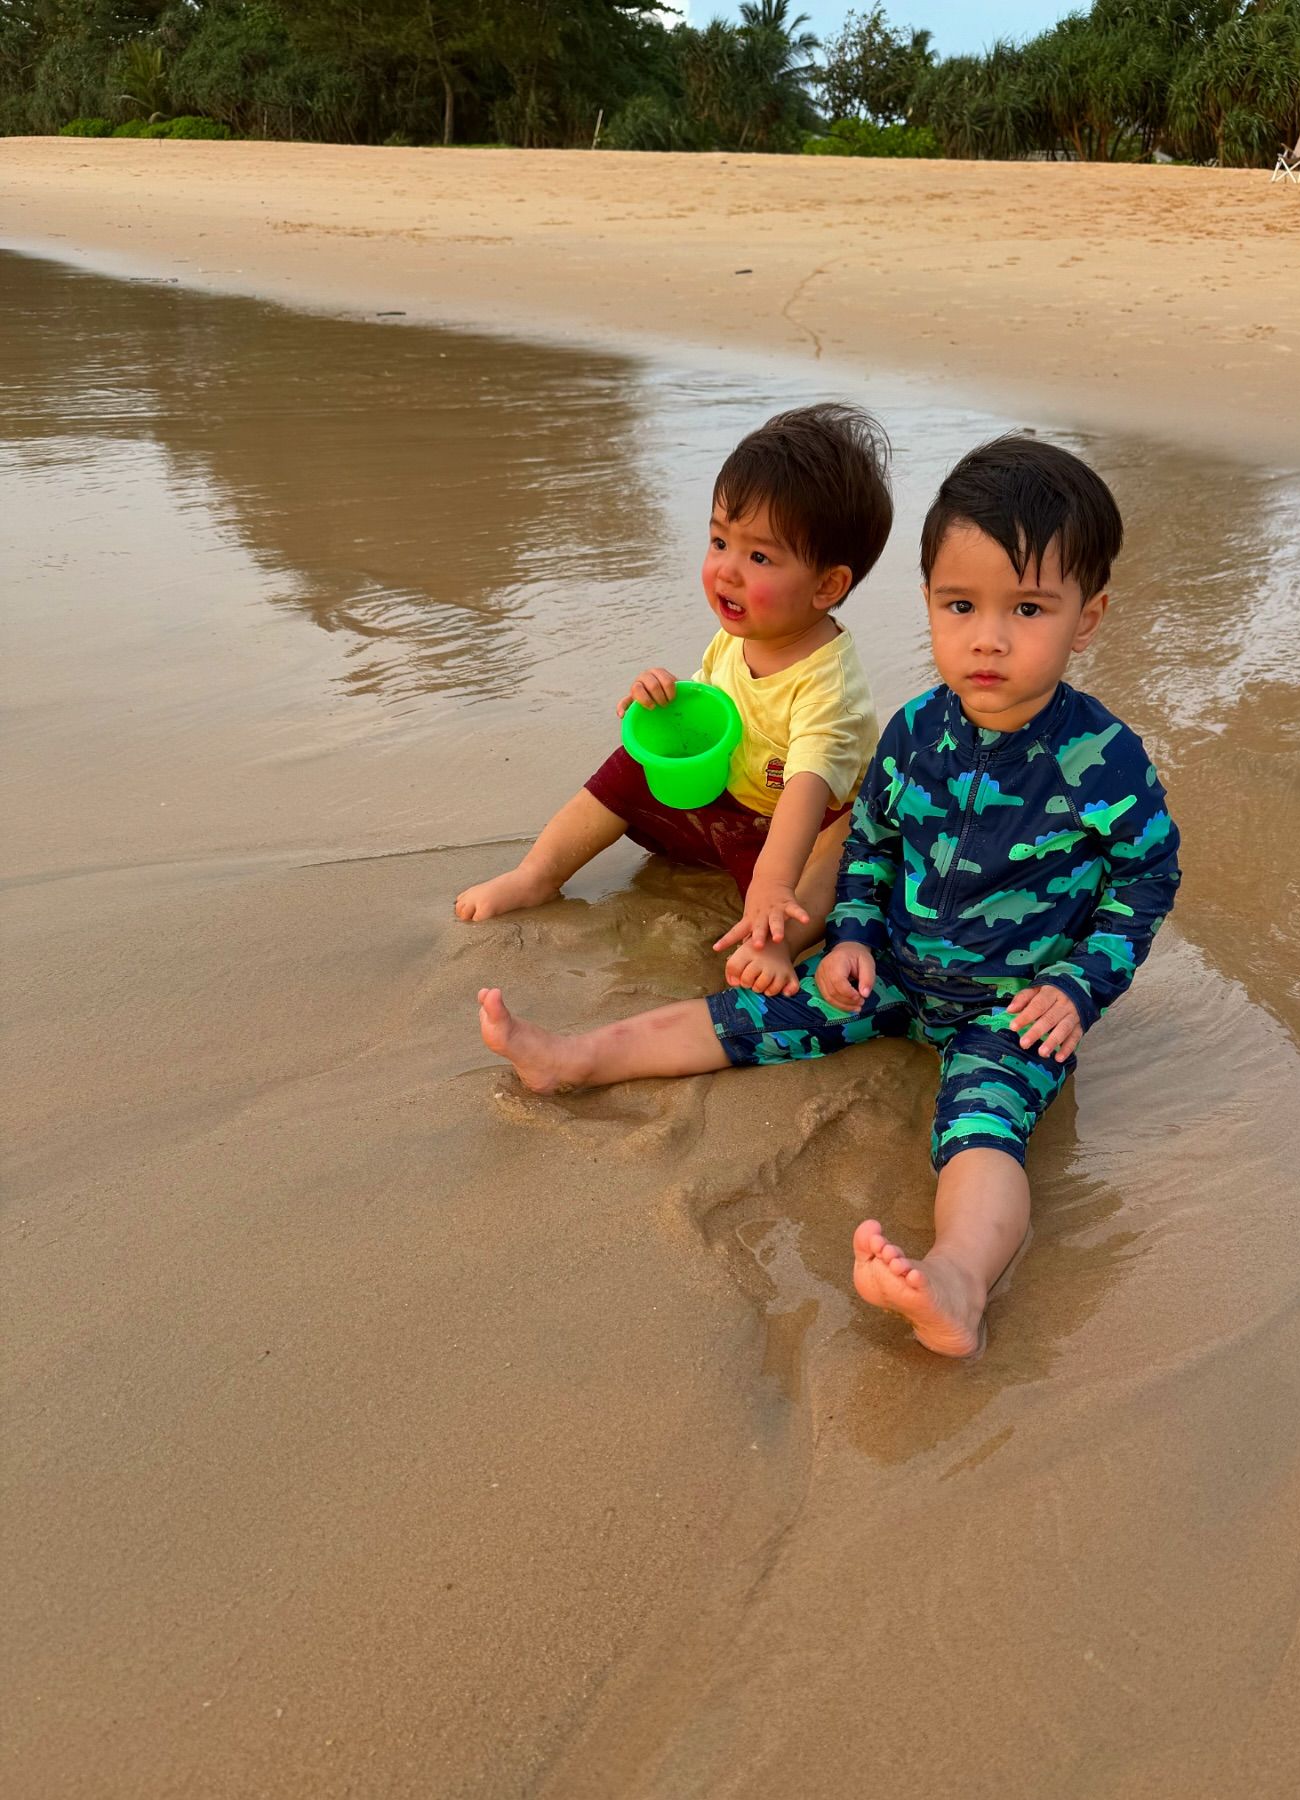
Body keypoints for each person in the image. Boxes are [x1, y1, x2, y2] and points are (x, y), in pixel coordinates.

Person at [476, 436, 1181, 1358]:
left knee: (981, 1126)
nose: (988, 637)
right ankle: (574, 1058)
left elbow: (1147, 877)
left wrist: (1080, 987)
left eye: (1029, 609)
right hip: (883, 972)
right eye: (960, 605)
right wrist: (849, 935)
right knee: (746, 1012)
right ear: (927, 599)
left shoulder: (1103, 759)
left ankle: (958, 1282)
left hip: (1013, 1010)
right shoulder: (916, 733)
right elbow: (875, 847)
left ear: (1086, 620)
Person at [455, 402, 893, 998]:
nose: (727, 571)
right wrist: (662, 698)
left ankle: (776, 941)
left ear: (827, 585)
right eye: (719, 541)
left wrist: (770, 883)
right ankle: (538, 874)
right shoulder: (740, 635)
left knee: (839, 857)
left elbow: (807, 785)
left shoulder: (828, 686)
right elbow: (710, 711)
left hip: (800, 825)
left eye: (759, 556)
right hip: (735, 805)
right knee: (633, 760)